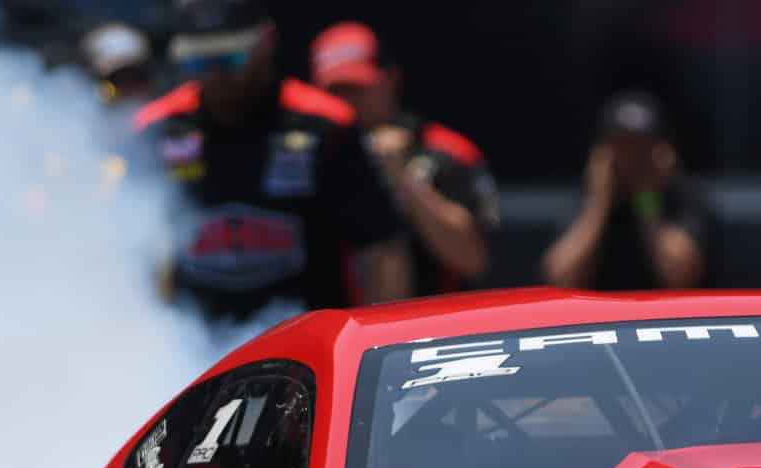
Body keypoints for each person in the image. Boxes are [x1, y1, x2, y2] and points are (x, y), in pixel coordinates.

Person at [134, 0, 409, 324]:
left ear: (265, 42)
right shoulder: (158, 129)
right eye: (198, 61)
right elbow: (136, 255)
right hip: (193, 347)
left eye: (229, 59)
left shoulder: (325, 126)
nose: (215, 74)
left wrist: (377, 334)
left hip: (306, 342)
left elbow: (381, 248)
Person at [309, 21, 497, 296]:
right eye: (336, 91)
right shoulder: (306, 158)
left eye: (358, 88)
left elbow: (474, 261)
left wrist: (401, 178)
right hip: (333, 322)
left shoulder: (447, 153)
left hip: (436, 324)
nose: (348, 102)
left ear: (390, 79)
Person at [542, 91, 712, 291]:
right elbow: (559, 278)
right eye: (623, 147)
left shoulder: (683, 198)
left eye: (641, 148)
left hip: (664, 316)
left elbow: (681, 276)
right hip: (603, 318)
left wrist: (646, 198)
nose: (632, 159)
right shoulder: (585, 200)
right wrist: (600, 202)